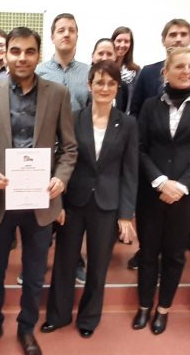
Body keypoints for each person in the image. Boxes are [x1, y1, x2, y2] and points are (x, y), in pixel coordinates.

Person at [0, 27, 77, 355]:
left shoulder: (58, 94)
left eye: (29, 51)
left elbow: (69, 148)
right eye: (15, 51)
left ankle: (26, 328)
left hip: (40, 201)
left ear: (37, 54)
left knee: (33, 273)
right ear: (5, 54)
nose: (22, 58)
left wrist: (61, 178)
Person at [42, 60, 138, 338]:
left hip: (107, 205)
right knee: (65, 261)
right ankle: (58, 315)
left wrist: (126, 214)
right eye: (99, 82)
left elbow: (130, 172)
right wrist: (57, 203)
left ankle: (89, 318)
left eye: (111, 83)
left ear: (117, 88)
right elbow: (61, 161)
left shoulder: (128, 124)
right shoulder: (73, 119)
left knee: (98, 265)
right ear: (89, 85)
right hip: (73, 201)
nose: (104, 88)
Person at [132, 47, 190, 335]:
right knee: (148, 253)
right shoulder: (149, 106)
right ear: (165, 71)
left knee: (174, 255)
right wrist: (159, 181)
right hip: (151, 192)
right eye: (179, 66)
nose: (186, 71)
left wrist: (180, 185)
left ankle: (163, 309)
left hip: (187, 195)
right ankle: (144, 305)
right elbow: (139, 148)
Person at [129, 19, 190, 117]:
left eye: (183, 34)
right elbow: (136, 110)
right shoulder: (148, 72)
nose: (178, 39)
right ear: (163, 40)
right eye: (173, 35)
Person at [36, 13, 90, 111]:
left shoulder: (88, 72)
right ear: (52, 37)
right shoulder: (38, 72)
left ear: (77, 37)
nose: (66, 34)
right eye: (61, 31)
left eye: (71, 30)